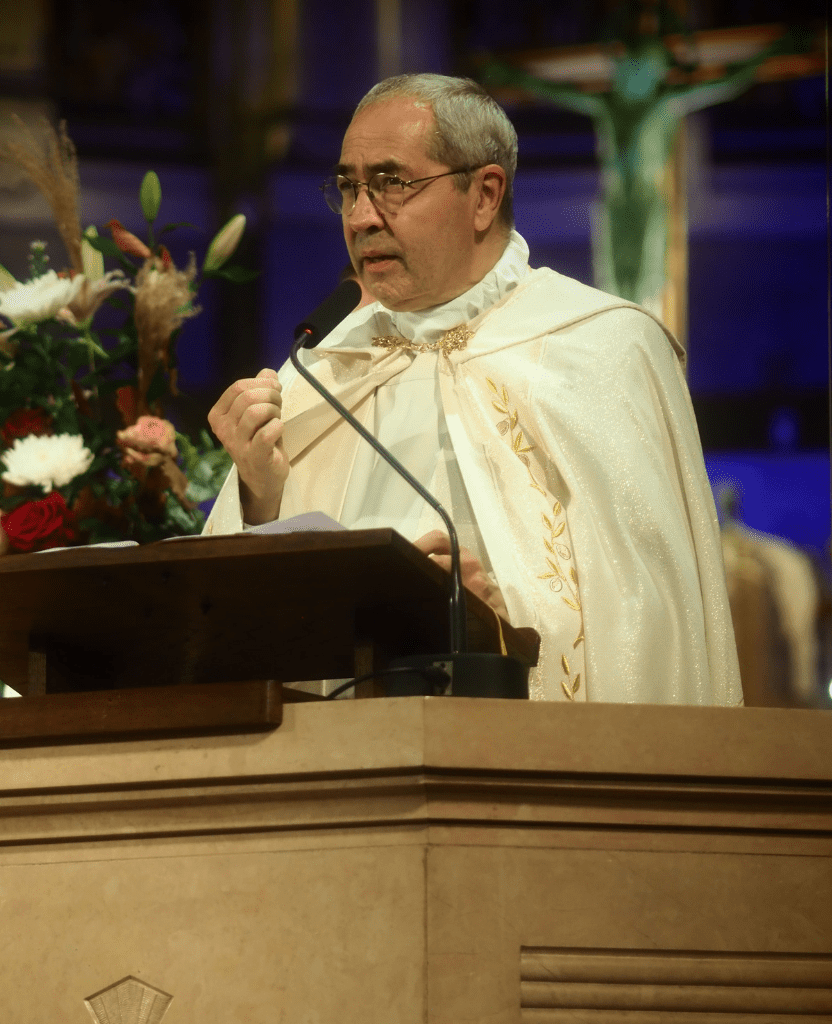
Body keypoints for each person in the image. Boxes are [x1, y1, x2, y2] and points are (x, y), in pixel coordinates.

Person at [204, 73, 741, 706]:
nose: (361, 217)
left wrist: (491, 622)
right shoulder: (324, 369)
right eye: (349, 188)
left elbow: (648, 620)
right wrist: (259, 501)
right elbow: (239, 632)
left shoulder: (601, 347)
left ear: (485, 194)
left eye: (392, 184)